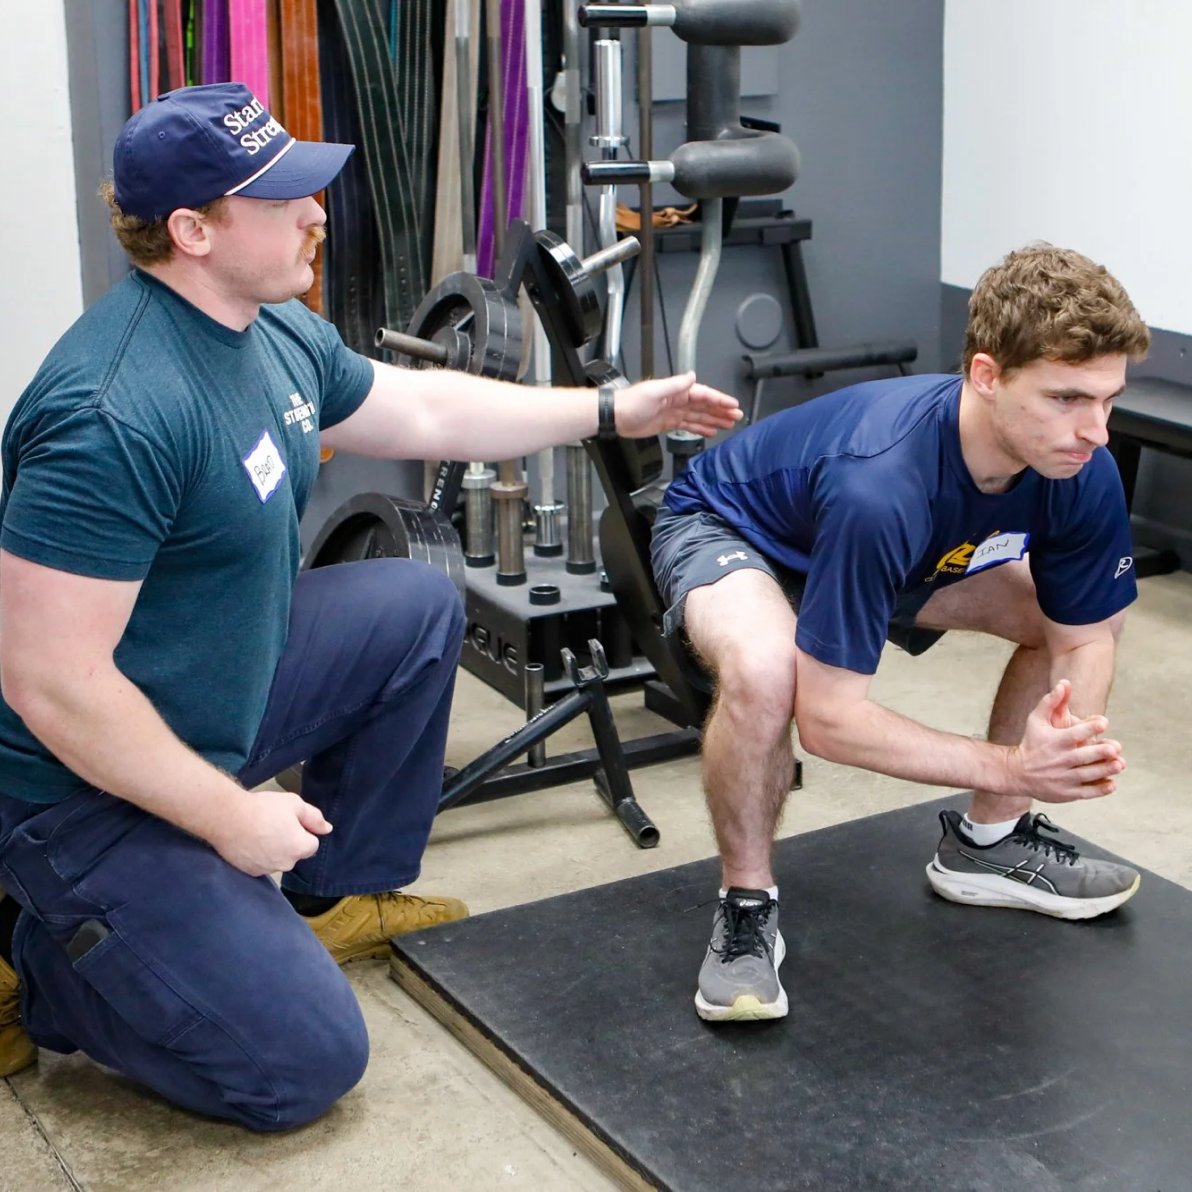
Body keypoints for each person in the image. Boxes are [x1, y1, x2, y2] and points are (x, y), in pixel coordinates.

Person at [0, 82, 741, 1126]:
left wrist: (613, 408)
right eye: (284, 198)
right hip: (85, 790)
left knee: (409, 603)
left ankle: (333, 890)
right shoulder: (113, 412)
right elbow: (49, 682)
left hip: (213, 693)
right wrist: (229, 818)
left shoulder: (268, 332)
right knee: (301, 1066)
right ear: (192, 230)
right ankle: (43, 957)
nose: (316, 215)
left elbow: (427, 404)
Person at [651, 243, 1151, 1023]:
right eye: (1065, 399)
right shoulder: (882, 482)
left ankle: (988, 844)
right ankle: (746, 909)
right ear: (987, 376)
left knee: (1060, 616)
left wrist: (1058, 752)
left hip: (895, 553)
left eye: (1107, 399)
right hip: (739, 532)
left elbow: (1087, 636)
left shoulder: (1081, 469)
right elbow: (830, 722)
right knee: (767, 672)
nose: (1096, 431)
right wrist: (1018, 759)